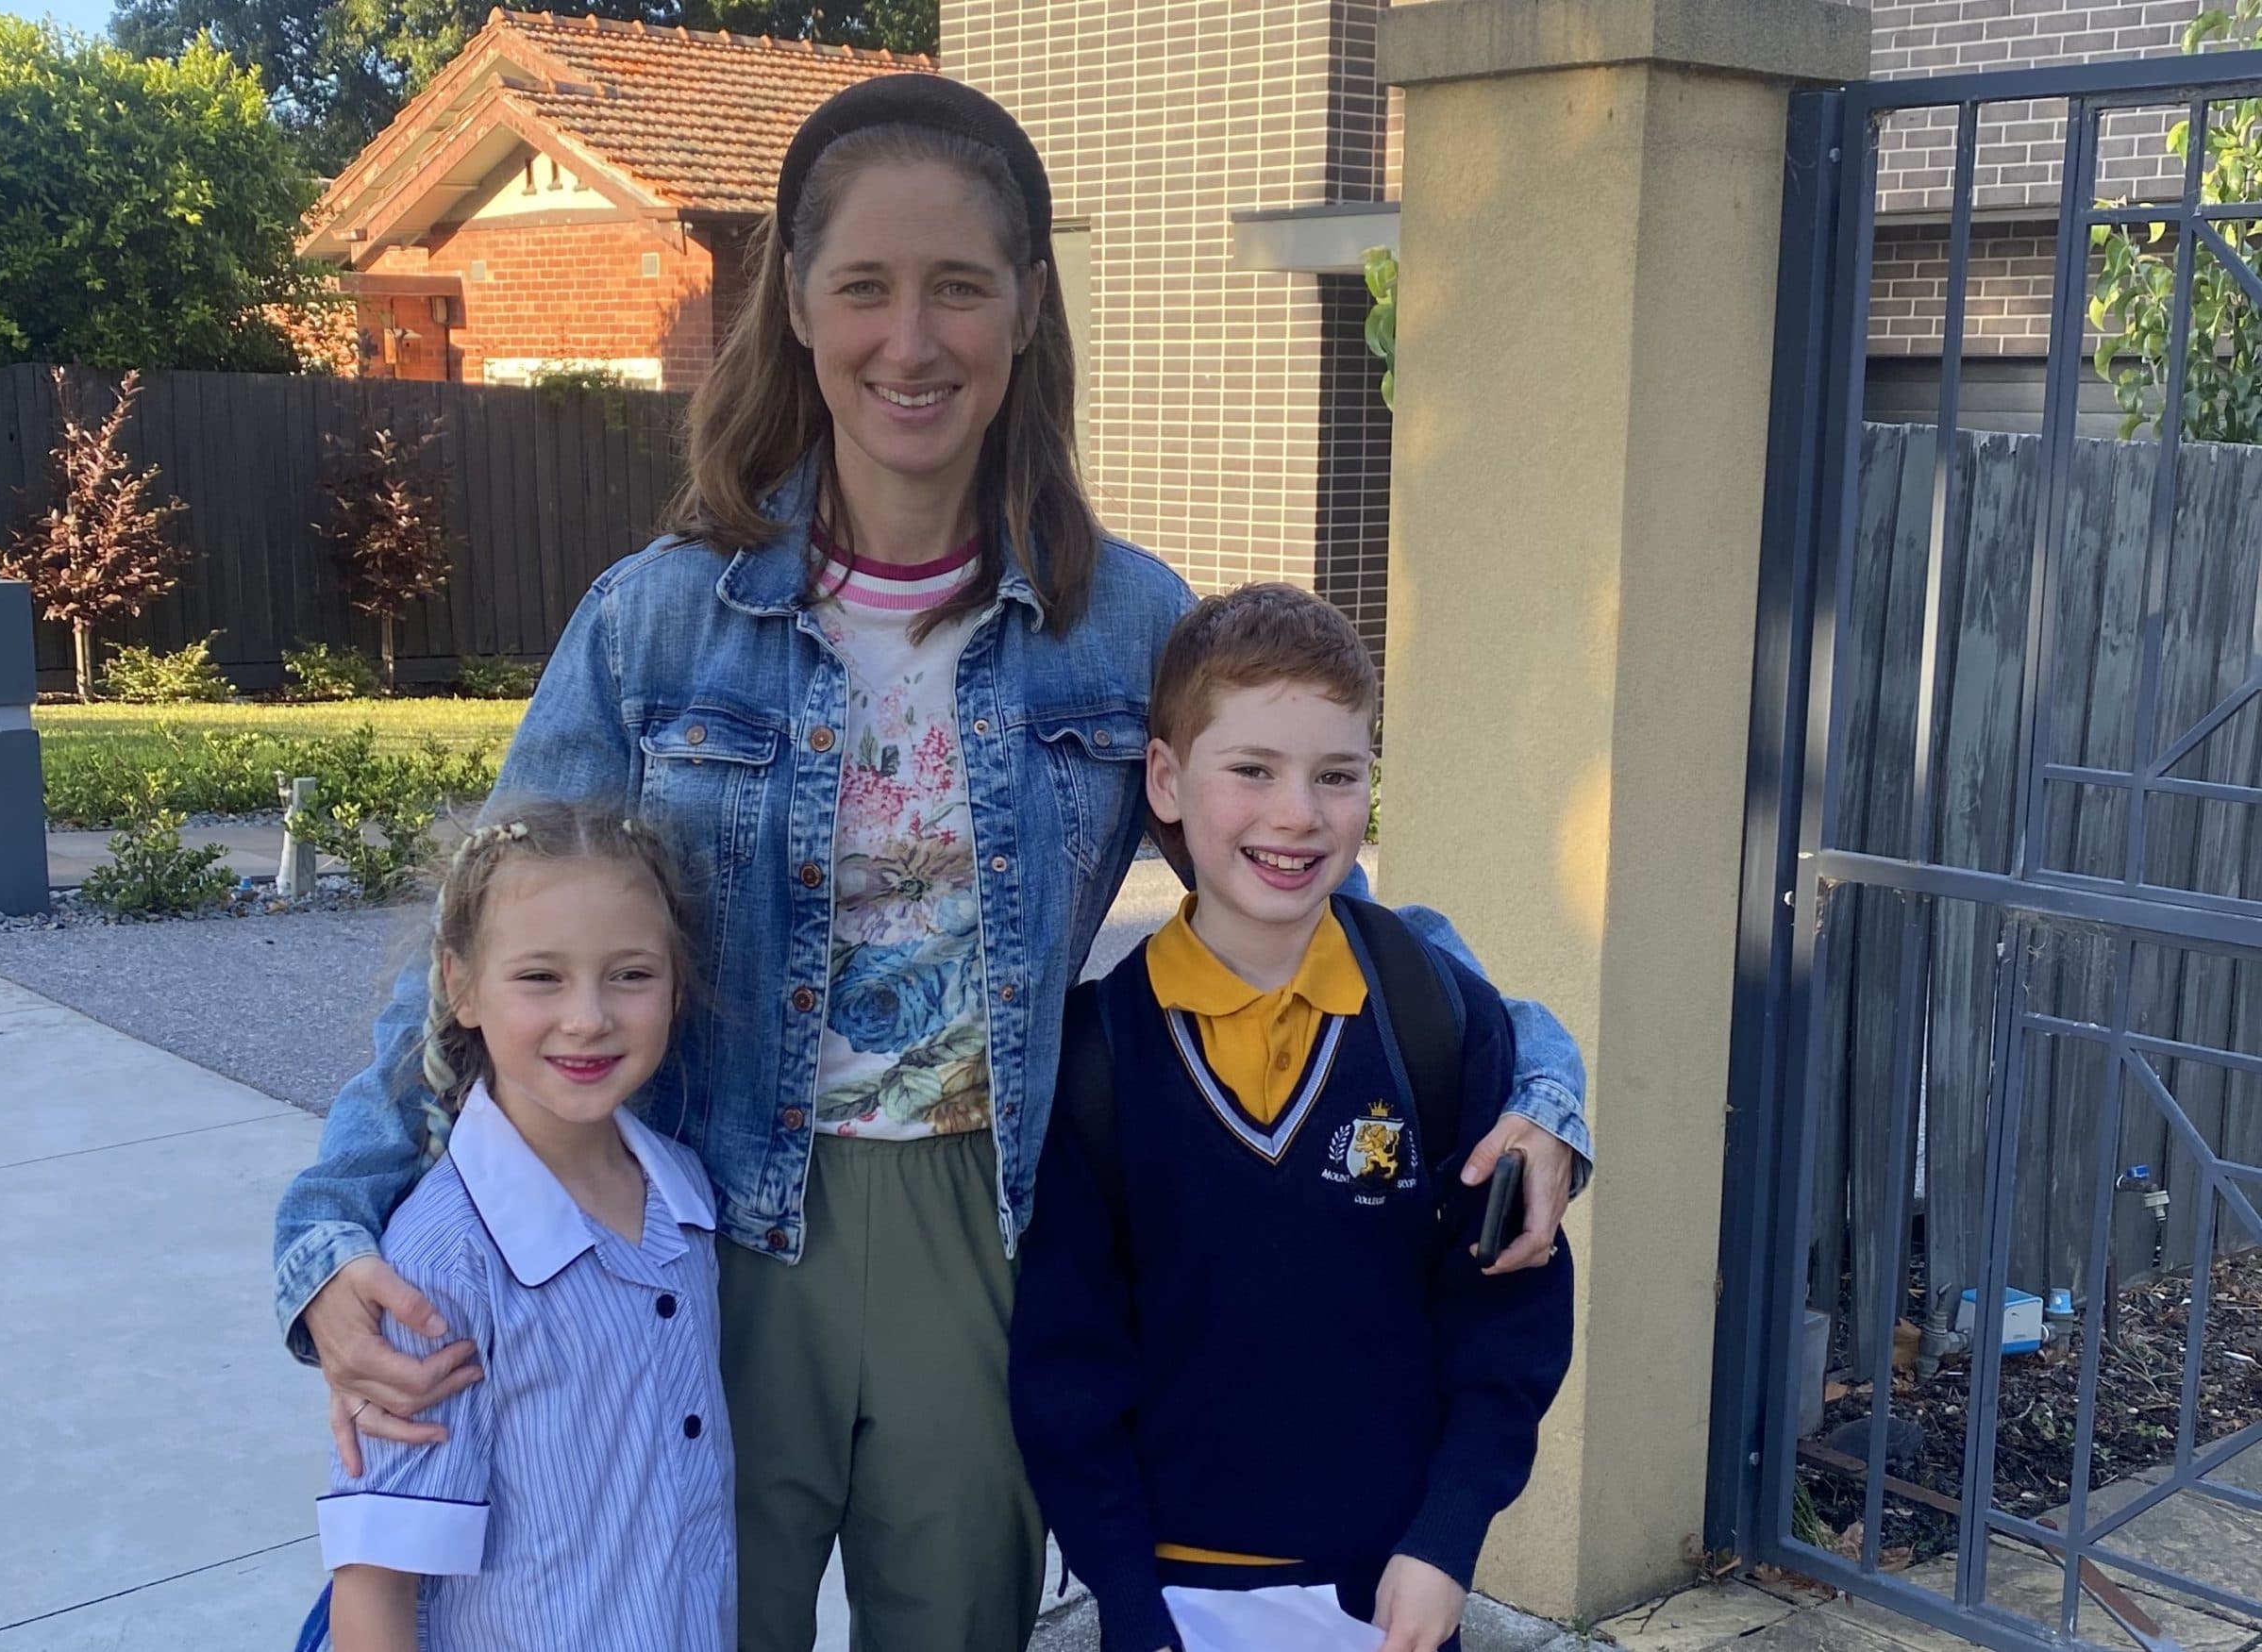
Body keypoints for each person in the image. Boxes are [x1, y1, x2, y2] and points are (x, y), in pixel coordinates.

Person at [274, 75, 1590, 1652]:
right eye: (869, 288)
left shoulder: (1123, 626)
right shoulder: (661, 616)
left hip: (989, 1244)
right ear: (800, 306)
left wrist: (1544, 1093)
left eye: (960, 286)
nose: (914, 338)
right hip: (706, 1242)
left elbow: (1312, 894)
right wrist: (332, 1235)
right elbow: (477, 947)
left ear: (1028, 307)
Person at [1009, 586, 1579, 1652]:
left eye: (1336, 774)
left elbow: (1508, 1314)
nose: (1296, 814)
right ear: (1168, 782)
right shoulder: (1095, 1057)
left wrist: (1449, 1537)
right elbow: (1066, 1370)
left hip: (1393, 1591)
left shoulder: (1436, 1019)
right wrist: (1128, 1601)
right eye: (1253, 769)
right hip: (1172, 1601)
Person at [300, 801, 729, 1652]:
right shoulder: (443, 1263)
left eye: (630, 974)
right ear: (460, 985)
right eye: (541, 976)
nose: (587, 1017)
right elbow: (377, 1581)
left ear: (677, 986)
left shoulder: (684, 1194)